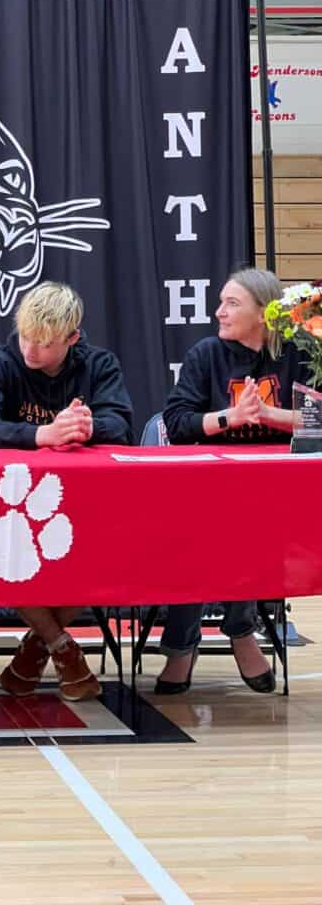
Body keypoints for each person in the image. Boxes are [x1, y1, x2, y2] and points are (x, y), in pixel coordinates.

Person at [0, 280, 133, 702]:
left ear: (72, 339)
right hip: (11, 508)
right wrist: (42, 433)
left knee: (102, 548)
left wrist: (88, 427)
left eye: (43, 343)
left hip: (84, 503)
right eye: (25, 336)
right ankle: (61, 647)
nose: (30, 350)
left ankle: (38, 647)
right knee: (5, 548)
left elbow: (123, 425)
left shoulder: (100, 364)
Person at [157, 267, 310, 695]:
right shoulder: (206, 354)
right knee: (206, 531)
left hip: (276, 488)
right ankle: (236, 631)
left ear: (263, 314)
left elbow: (318, 421)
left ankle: (193, 642)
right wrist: (230, 417)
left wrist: (268, 415)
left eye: (232, 304)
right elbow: (177, 422)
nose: (219, 312)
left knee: (244, 526)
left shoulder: (298, 352)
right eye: (221, 302)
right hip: (208, 486)